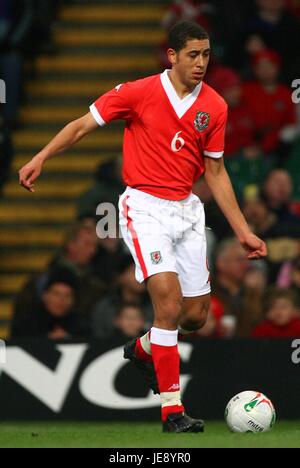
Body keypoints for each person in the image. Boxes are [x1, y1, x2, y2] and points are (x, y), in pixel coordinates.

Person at [18, 21, 267, 433]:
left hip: (187, 210)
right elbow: (82, 125)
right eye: (193, 54)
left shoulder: (215, 107)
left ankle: (143, 347)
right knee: (168, 306)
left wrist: (242, 230)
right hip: (144, 206)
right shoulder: (138, 92)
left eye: (206, 54)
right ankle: (173, 411)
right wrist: (42, 157)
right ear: (172, 56)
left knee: (195, 316)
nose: (201, 62)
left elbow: (217, 171)